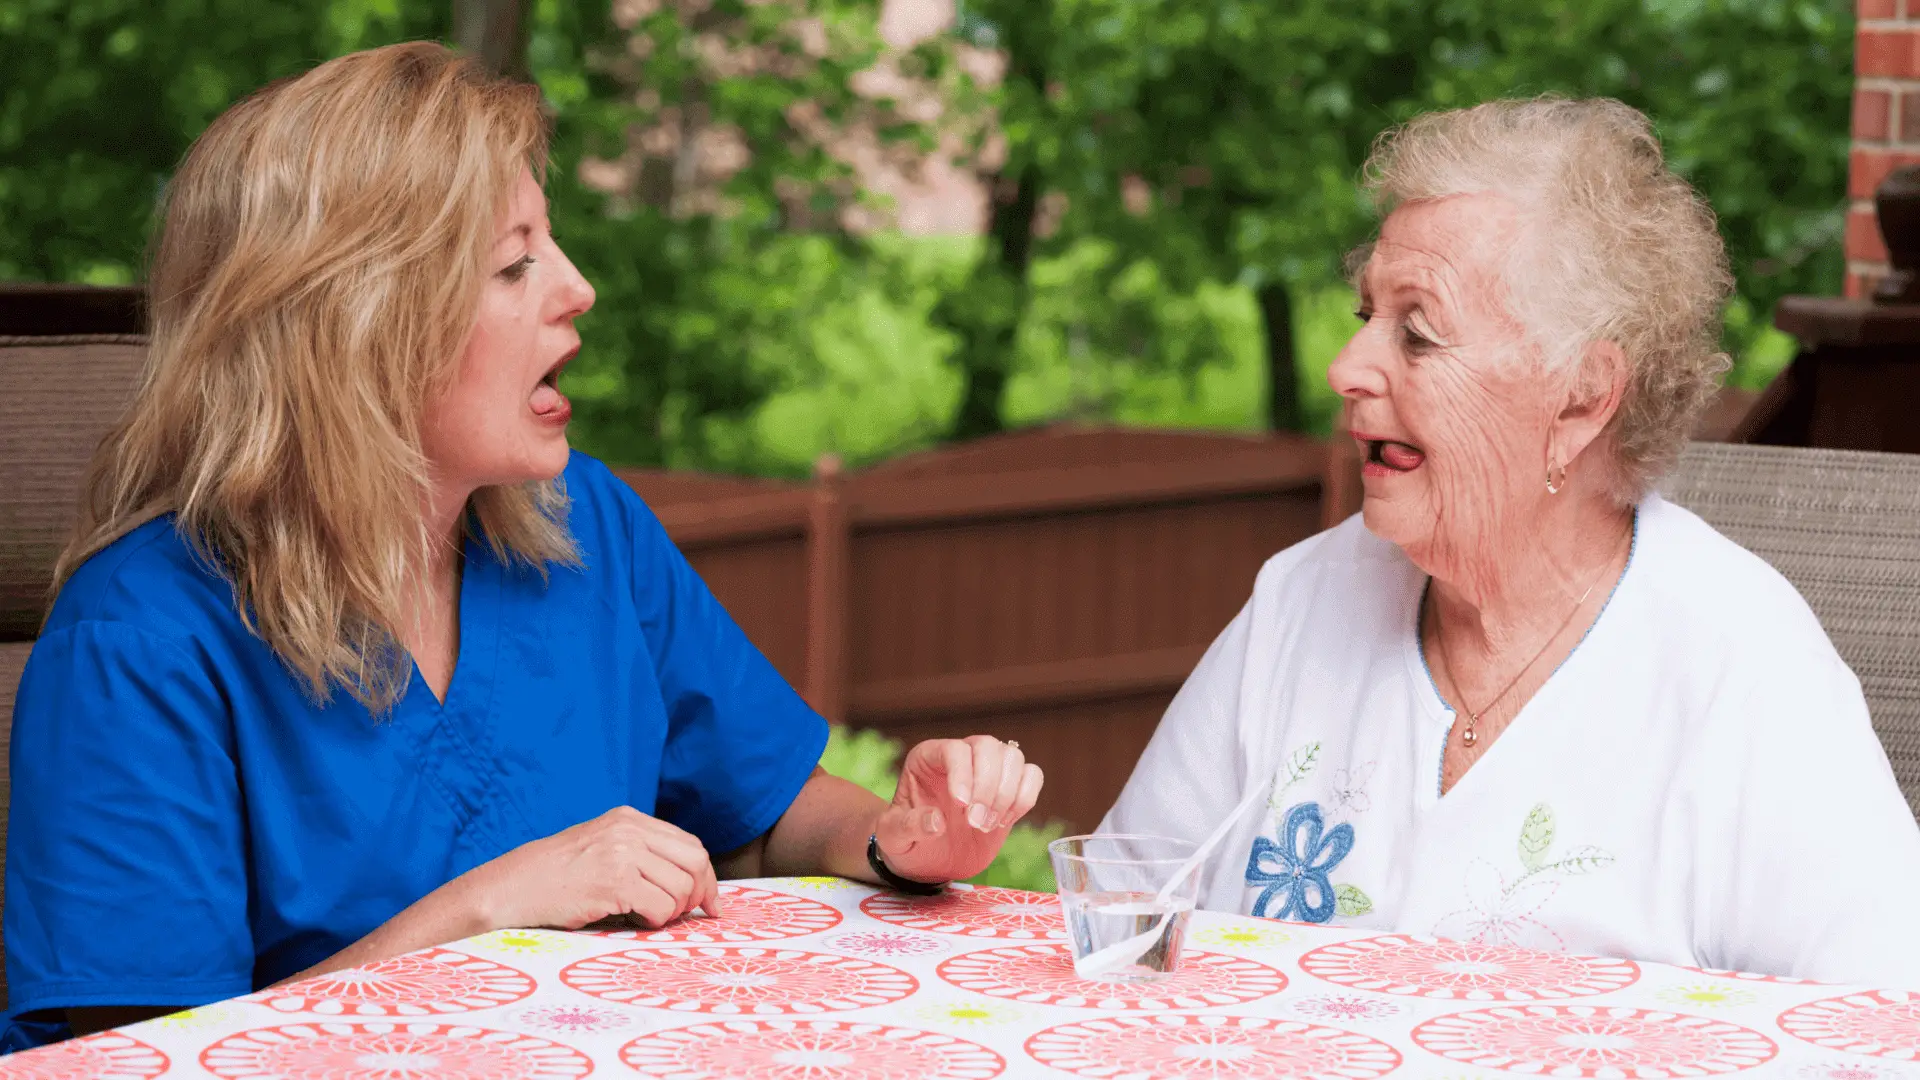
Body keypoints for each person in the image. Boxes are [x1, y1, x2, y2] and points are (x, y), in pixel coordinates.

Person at [2, 42, 1043, 1051]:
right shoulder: (138, 641)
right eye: (514, 263)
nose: (577, 287)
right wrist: (486, 909)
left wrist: (897, 838)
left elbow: (764, 814)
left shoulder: (588, 526)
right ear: (355, 329)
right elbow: (139, 1060)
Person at [1102, 98, 1920, 984]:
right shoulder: (1303, 601)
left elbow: (1882, 1021)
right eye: (1364, 317)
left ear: (1580, 398)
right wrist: (930, 877)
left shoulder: (1740, 665)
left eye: (1417, 333)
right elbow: (1118, 929)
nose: (1346, 371)